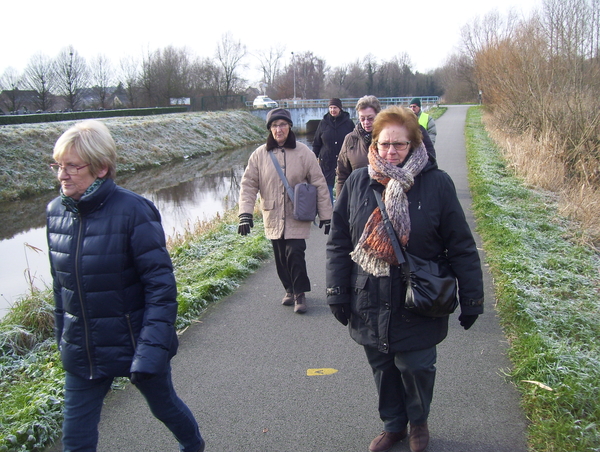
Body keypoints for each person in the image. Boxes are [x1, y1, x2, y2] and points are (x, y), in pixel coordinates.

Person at [325, 106, 483, 452]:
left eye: (399, 144)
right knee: (382, 366)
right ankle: (394, 425)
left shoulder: (437, 183)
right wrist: (336, 291)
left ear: (413, 144)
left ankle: (419, 421)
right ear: (375, 145)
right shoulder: (358, 182)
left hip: (419, 298)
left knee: (417, 366)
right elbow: (339, 241)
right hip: (369, 297)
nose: (391, 151)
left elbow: (461, 246)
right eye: (384, 144)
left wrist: (472, 298)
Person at [46, 120, 204, 452]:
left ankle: (193, 446)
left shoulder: (134, 211)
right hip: (84, 350)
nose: (62, 175)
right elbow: (62, 290)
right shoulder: (55, 213)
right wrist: (64, 339)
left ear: (101, 168)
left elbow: (160, 288)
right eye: (59, 166)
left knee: (165, 407)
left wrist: (152, 350)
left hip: (135, 343)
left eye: (73, 166)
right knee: (75, 440)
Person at [238, 108, 332, 313]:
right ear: (269, 129)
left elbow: (319, 183)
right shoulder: (260, 155)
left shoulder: (304, 153)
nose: (278, 129)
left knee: (295, 252)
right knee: (280, 256)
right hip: (272, 214)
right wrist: (245, 213)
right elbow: (248, 184)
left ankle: (300, 294)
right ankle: (288, 289)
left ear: (289, 127)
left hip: (297, 213)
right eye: (274, 125)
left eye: (282, 125)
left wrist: (326, 215)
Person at [336, 96, 437, 198]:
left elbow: (427, 158)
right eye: (362, 118)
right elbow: (342, 175)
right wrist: (342, 203)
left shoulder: (400, 133)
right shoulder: (350, 140)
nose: (366, 122)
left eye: (370, 118)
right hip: (361, 199)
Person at [312, 98, 355, 203]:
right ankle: (329, 214)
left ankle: (344, 211)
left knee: (345, 187)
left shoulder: (348, 123)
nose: (332, 110)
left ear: (340, 108)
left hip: (344, 161)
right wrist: (313, 159)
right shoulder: (323, 123)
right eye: (330, 108)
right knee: (327, 189)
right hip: (327, 162)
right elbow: (317, 143)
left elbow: (355, 142)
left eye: (335, 107)